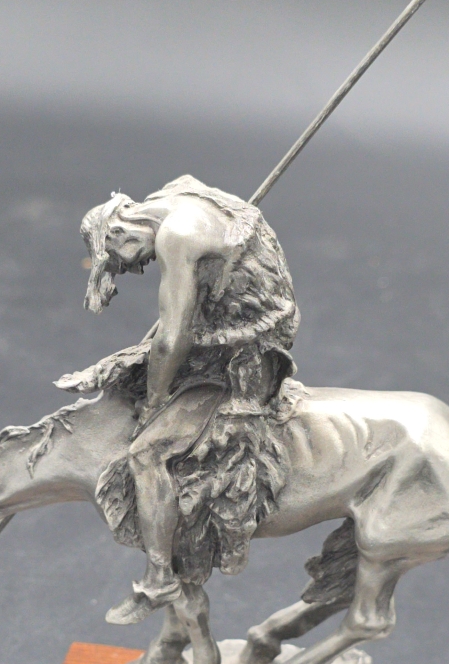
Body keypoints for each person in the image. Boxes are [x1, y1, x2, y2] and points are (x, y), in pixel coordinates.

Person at [79, 174, 299, 624]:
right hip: (222, 329)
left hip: (245, 354)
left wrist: (155, 400)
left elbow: (173, 336)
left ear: (119, 232)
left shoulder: (177, 236)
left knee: (145, 453)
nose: (135, 270)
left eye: (120, 262)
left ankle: (159, 578)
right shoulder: (176, 192)